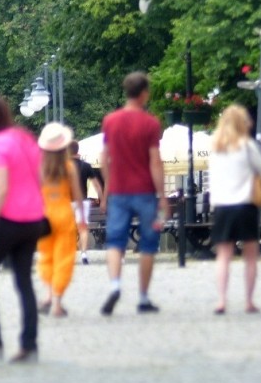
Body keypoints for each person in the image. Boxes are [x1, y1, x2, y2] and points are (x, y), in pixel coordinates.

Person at [0, 93, 46, 363]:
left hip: (8, 219)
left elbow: (1, 187)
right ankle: (29, 344)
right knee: (24, 281)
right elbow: (41, 176)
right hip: (33, 219)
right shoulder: (25, 137)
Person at [99, 71, 168, 316]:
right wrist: (162, 196)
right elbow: (155, 162)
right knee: (148, 244)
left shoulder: (110, 121)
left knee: (115, 241)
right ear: (144, 93)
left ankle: (115, 285)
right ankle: (143, 297)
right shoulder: (150, 123)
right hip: (145, 192)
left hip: (118, 191)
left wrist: (109, 186)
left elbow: (103, 158)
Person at [209, 105, 261, 314]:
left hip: (222, 206)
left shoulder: (215, 147)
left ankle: (222, 300)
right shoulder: (247, 146)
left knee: (223, 256)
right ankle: (248, 301)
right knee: (250, 256)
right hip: (245, 205)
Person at [37, 124, 86, 318]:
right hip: (64, 215)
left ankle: (48, 295)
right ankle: (57, 303)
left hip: (44, 216)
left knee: (47, 256)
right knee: (63, 258)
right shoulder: (69, 168)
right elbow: (78, 195)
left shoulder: (40, 167)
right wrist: (82, 216)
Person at [69, 140, 103, 264]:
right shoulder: (86, 165)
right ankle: (83, 254)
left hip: (66, 202)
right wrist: (102, 199)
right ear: (77, 150)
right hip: (83, 202)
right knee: (83, 228)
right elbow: (97, 185)